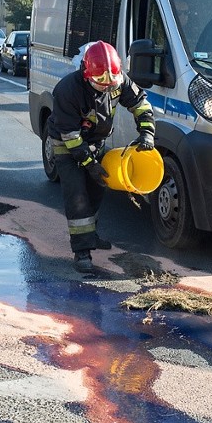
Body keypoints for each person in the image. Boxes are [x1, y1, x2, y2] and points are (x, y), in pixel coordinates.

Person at [47, 40, 156, 271]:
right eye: (101, 83)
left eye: (111, 82)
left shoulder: (118, 80)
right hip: (66, 144)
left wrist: (147, 133)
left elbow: (141, 104)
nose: (107, 87)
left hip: (96, 141)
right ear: (87, 75)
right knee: (77, 195)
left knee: (97, 188)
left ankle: (91, 235)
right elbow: (71, 137)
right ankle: (82, 253)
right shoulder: (68, 90)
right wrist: (89, 164)